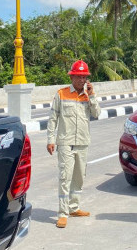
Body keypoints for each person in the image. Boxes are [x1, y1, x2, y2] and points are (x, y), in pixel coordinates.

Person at [47, 59, 101, 228]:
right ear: (71, 77)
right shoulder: (61, 94)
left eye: (84, 77)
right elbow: (52, 118)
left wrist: (92, 96)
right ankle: (62, 213)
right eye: (78, 76)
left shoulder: (87, 95)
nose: (81, 80)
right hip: (65, 143)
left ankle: (74, 207)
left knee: (79, 177)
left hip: (83, 142)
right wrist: (50, 139)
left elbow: (97, 114)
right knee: (65, 178)